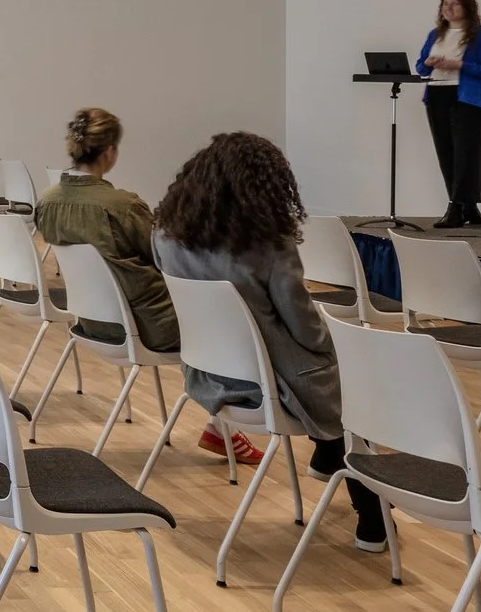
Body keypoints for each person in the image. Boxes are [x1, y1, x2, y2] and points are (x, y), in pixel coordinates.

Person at [154, 132, 389, 552]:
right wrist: (329, 339)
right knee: (351, 376)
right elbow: (302, 324)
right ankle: (372, 518)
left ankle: (328, 455)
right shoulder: (267, 246)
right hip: (270, 386)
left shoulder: (166, 237)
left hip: (209, 377)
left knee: (327, 374)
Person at [35, 107, 257, 465]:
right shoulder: (122, 206)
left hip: (93, 322)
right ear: (109, 152)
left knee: (204, 317)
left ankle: (221, 426)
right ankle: (226, 422)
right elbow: (166, 256)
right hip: (146, 324)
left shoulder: (47, 201)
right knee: (229, 320)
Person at [415, 0, 481, 229]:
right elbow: (421, 66)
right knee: (446, 153)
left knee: (466, 153)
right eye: (445, 4)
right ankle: (468, 205)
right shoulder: (435, 35)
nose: (448, 8)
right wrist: (429, 63)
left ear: (468, 8)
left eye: (454, 4)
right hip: (437, 95)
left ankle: (455, 207)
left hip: (468, 98)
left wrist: (459, 64)